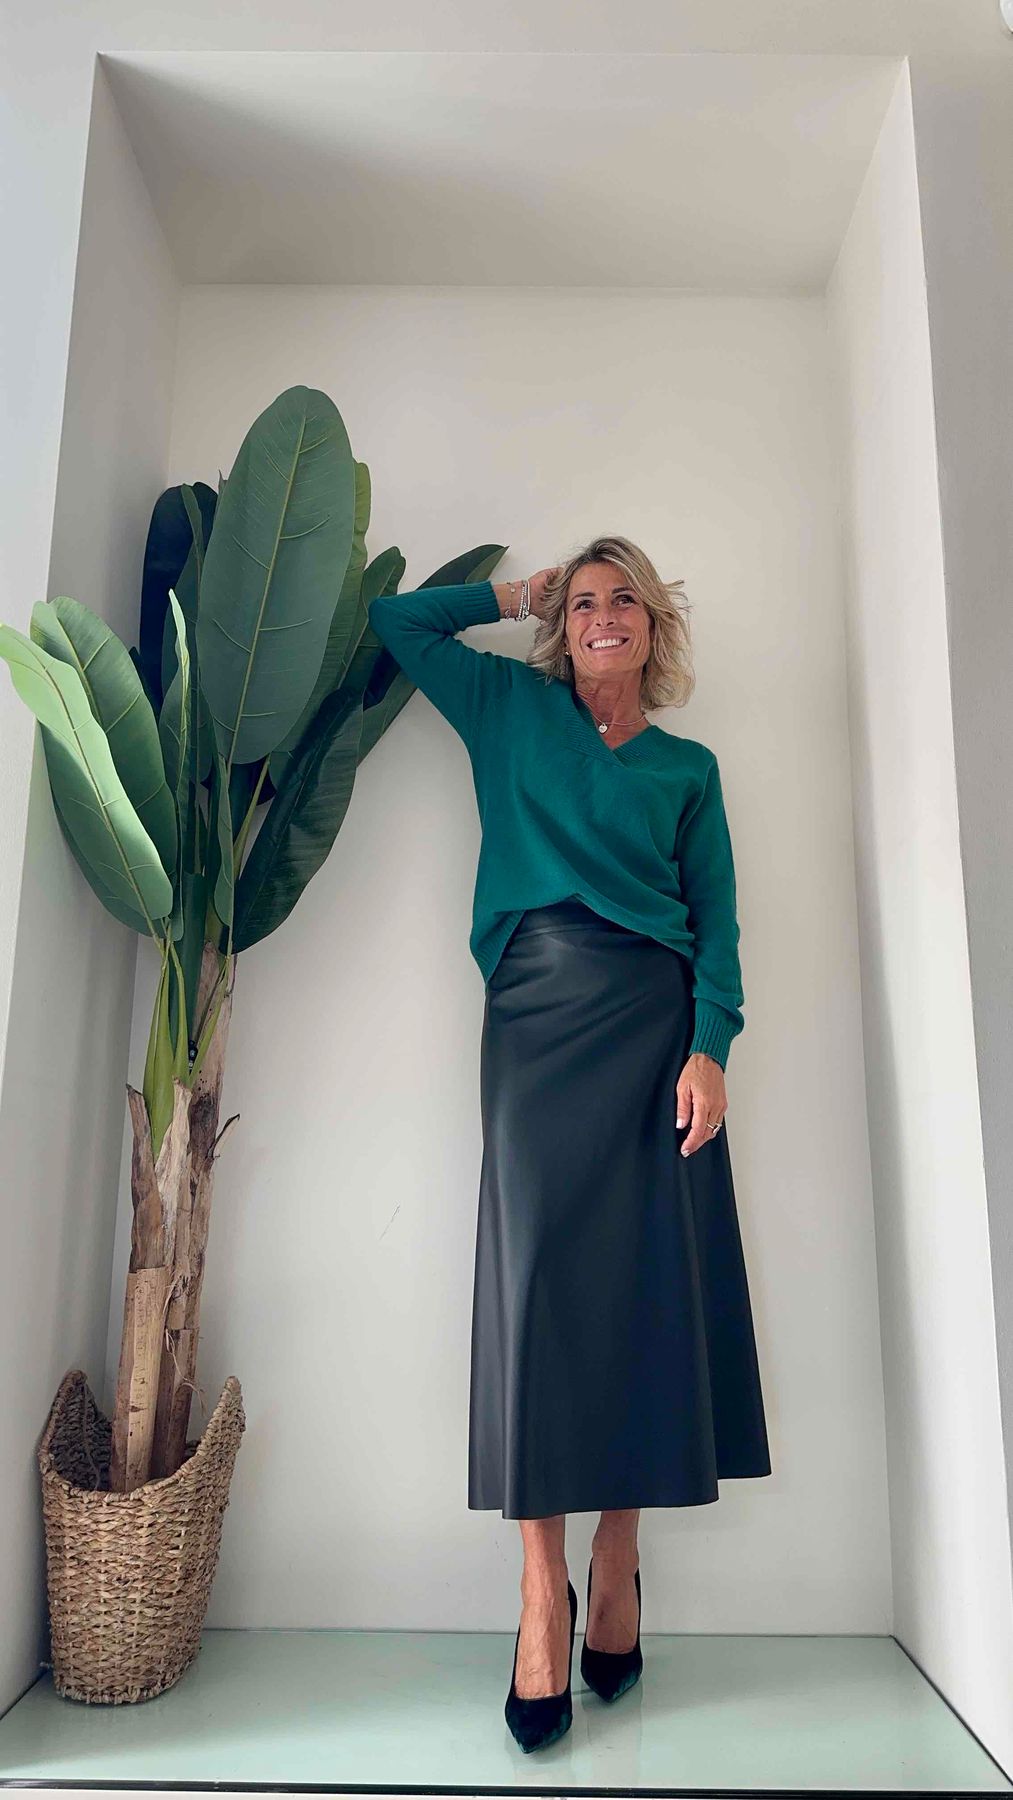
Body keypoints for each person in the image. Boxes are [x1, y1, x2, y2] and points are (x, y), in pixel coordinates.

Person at [368, 535, 771, 1753]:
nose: (602, 615)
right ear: (562, 624)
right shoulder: (508, 706)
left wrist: (709, 1046)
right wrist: (510, 593)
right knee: (534, 1289)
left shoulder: (687, 769)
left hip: (653, 1031)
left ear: (653, 625)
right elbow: (396, 626)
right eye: (583, 600)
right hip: (536, 1018)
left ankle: (615, 1554)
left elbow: (717, 926)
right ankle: (539, 1588)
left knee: (646, 1291)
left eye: (622, 599)